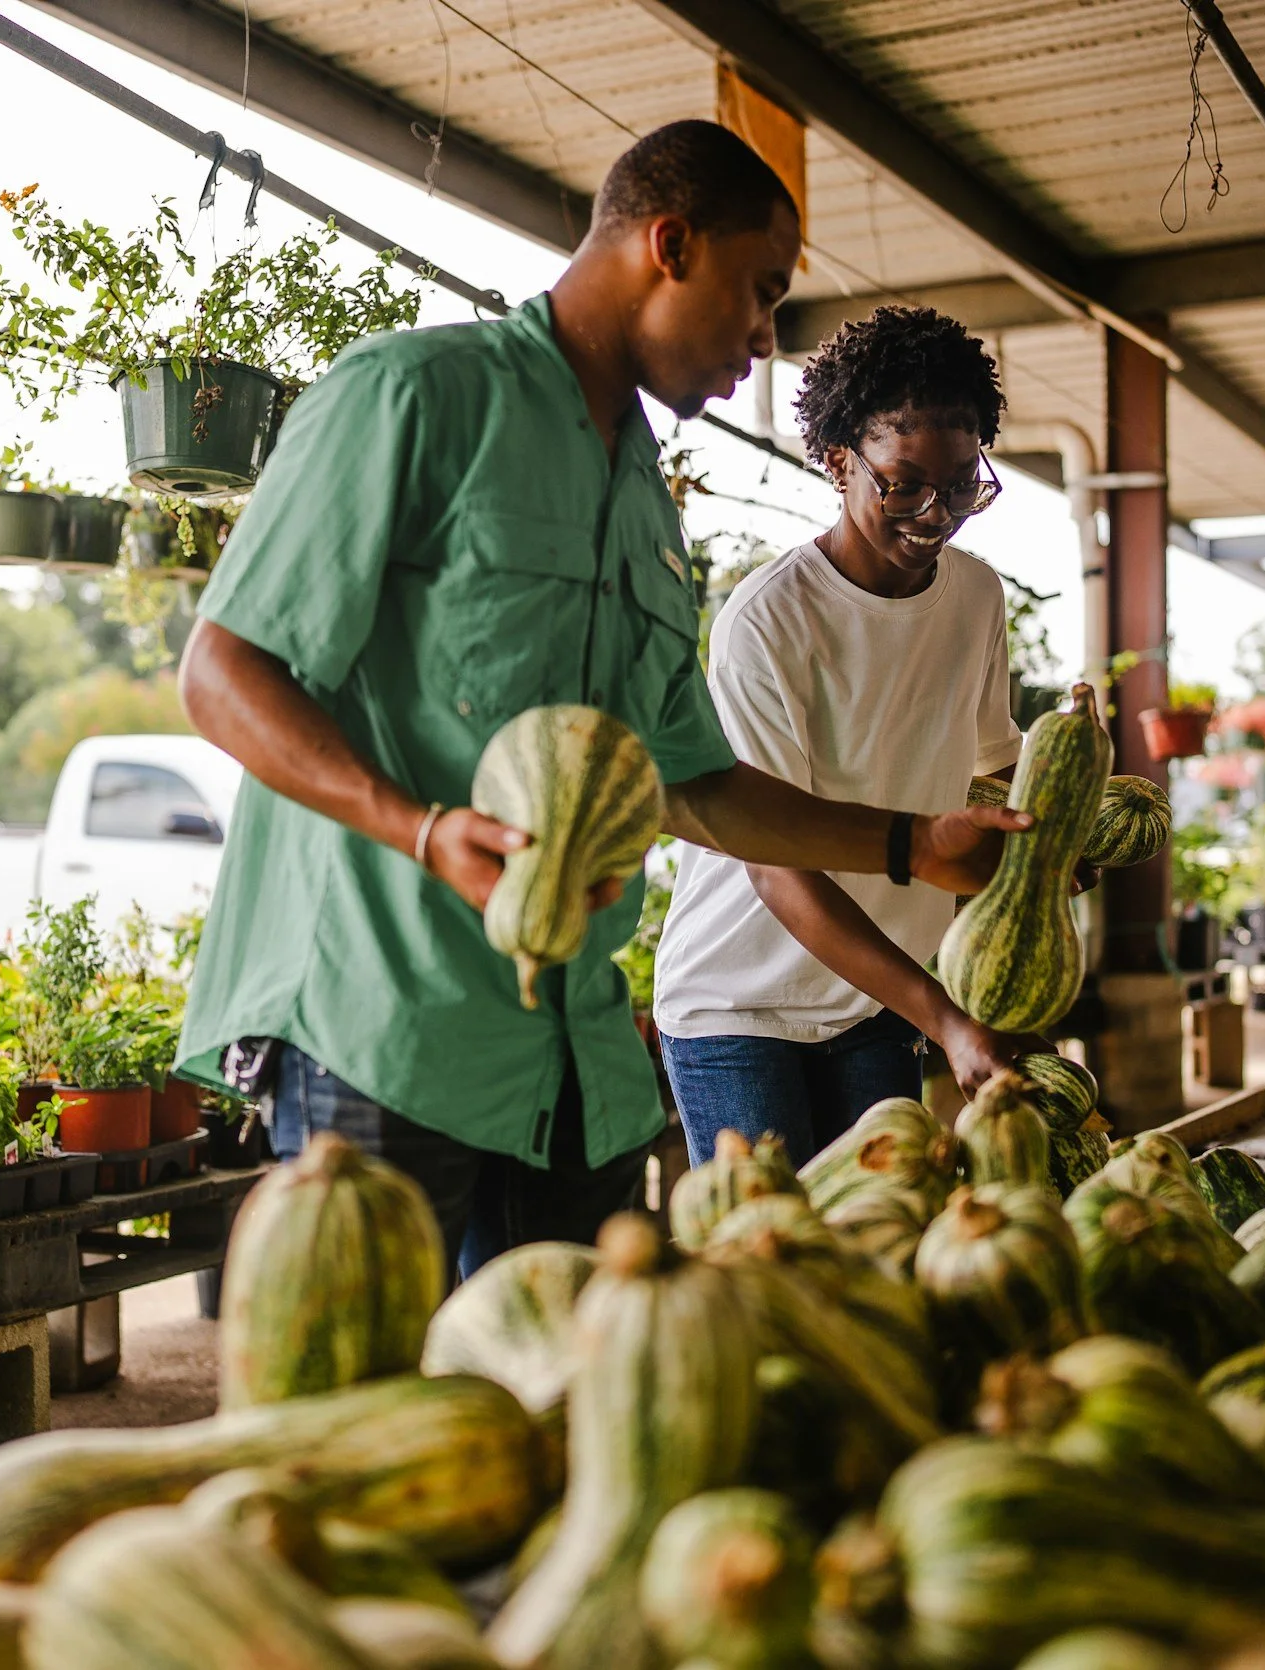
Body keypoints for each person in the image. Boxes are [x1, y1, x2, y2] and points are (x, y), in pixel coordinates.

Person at [171, 123, 1035, 1275]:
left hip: (565, 1052)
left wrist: (913, 844)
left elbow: (693, 782)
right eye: (759, 291)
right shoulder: (413, 395)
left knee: (576, 1367)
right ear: (669, 246)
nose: (763, 340)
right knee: (364, 1377)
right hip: (377, 1023)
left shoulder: (639, 500)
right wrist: (420, 830)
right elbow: (223, 671)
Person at [653, 304, 1047, 1166]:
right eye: (904, 484)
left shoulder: (975, 598)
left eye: (962, 485)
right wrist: (945, 1018)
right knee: (775, 1243)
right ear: (838, 461)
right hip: (739, 1008)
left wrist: (1044, 856)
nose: (936, 513)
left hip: (875, 1002)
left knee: (882, 1237)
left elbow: (992, 768)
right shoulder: (770, 619)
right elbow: (774, 864)